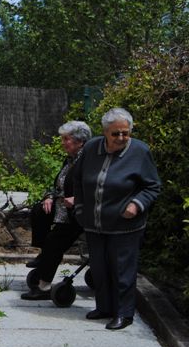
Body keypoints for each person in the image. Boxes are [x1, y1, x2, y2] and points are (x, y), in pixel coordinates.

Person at [74, 108, 161, 330]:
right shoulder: (91, 148)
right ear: (105, 132)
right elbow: (78, 179)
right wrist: (81, 208)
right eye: (115, 134)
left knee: (123, 271)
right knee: (100, 269)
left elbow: (152, 186)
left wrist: (136, 204)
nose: (121, 138)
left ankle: (124, 314)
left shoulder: (140, 152)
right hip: (94, 224)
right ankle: (104, 307)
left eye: (125, 133)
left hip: (125, 226)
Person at [21, 121, 92, 300]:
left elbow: (96, 187)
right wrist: (49, 197)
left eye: (66, 139)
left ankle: (44, 287)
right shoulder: (69, 159)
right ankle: (44, 254)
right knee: (39, 210)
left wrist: (79, 199)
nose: (63, 143)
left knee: (55, 241)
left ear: (80, 141)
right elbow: (58, 186)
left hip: (79, 211)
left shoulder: (89, 161)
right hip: (61, 206)